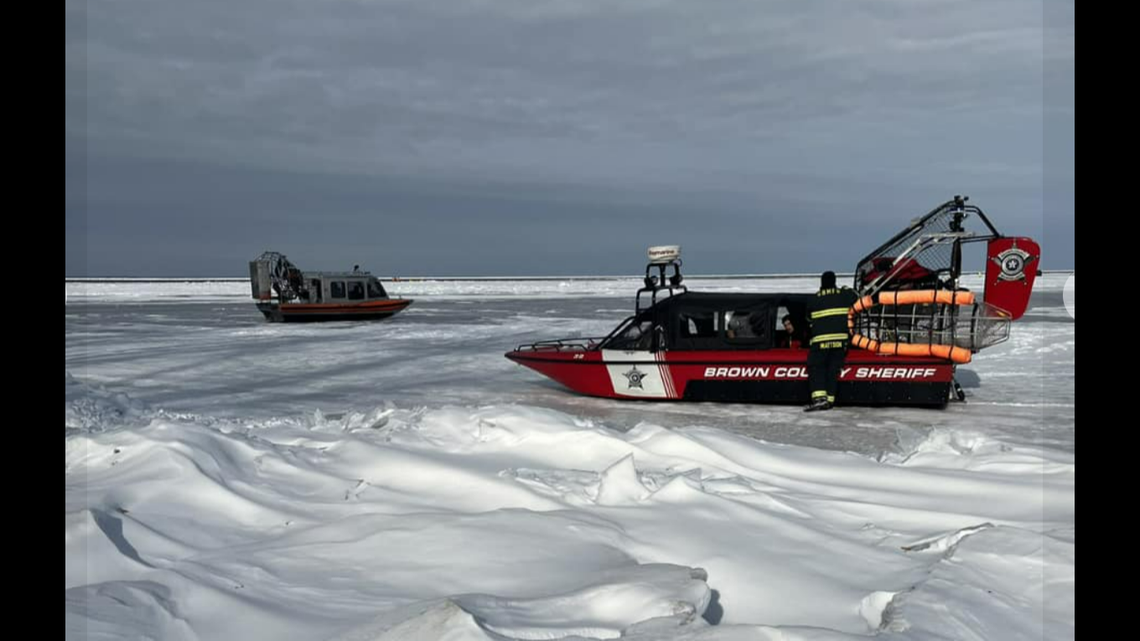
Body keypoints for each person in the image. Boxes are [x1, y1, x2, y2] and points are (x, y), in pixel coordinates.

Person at [804, 271, 859, 411]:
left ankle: (819, 399)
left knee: (816, 367)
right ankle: (830, 400)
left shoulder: (814, 299)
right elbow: (857, 296)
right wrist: (846, 288)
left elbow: (808, 318)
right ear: (835, 281)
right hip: (841, 342)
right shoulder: (844, 295)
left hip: (820, 342)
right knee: (833, 370)